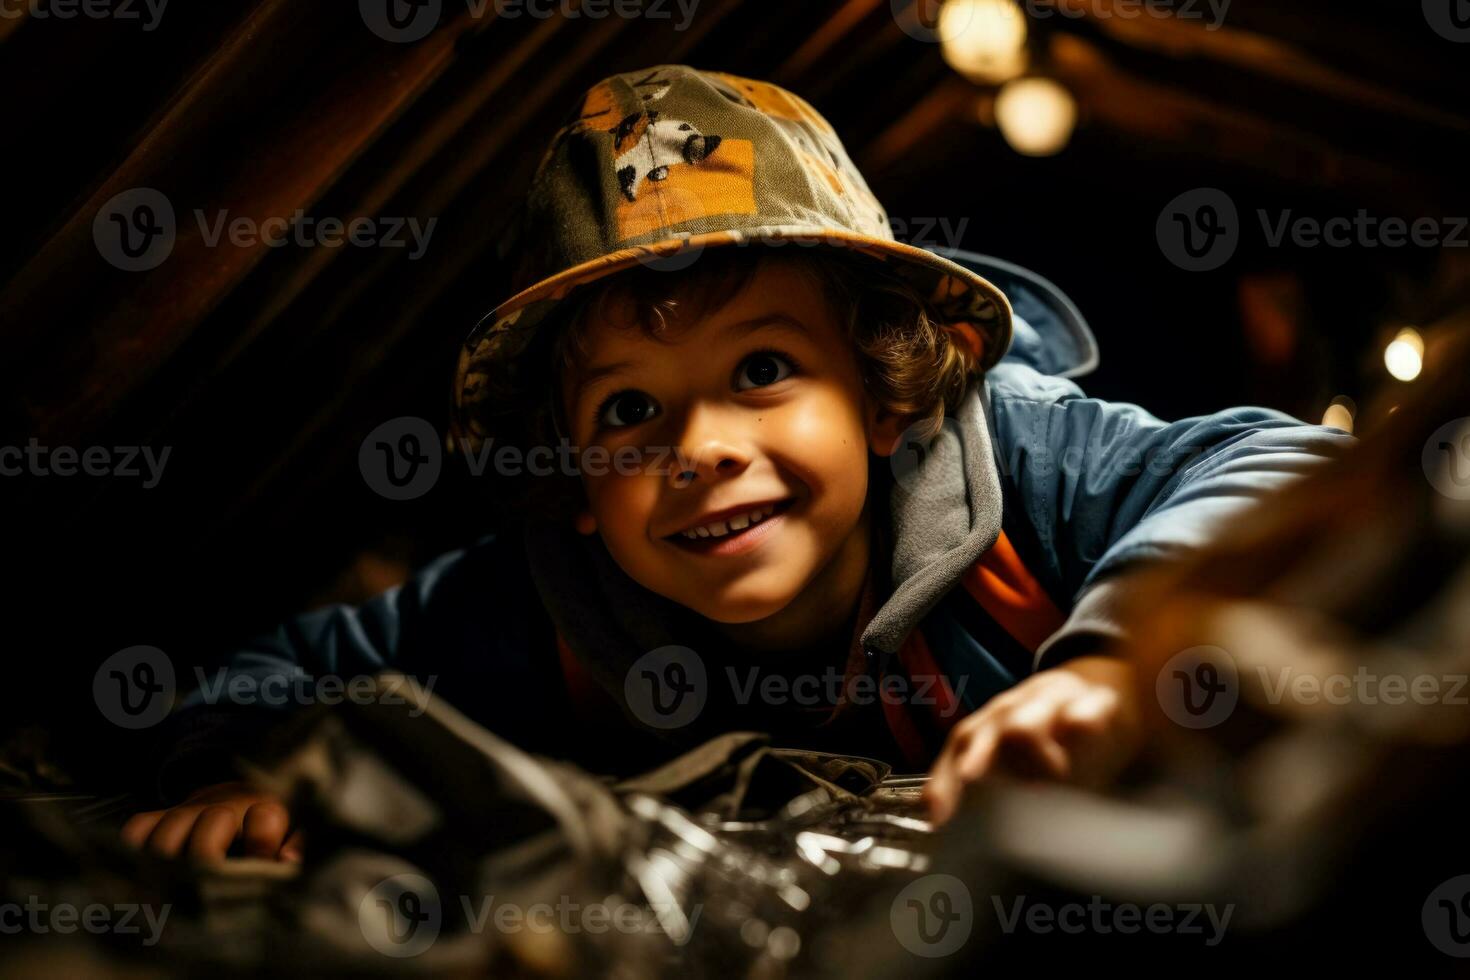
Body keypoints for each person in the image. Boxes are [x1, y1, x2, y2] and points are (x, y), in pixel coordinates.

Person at [121, 65, 1353, 862]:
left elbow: (1283, 467)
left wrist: (1102, 666)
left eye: (762, 370)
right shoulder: (542, 605)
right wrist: (233, 771)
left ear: (881, 394)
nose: (700, 448)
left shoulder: (1014, 463)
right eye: (626, 412)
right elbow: (279, 673)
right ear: (580, 492)